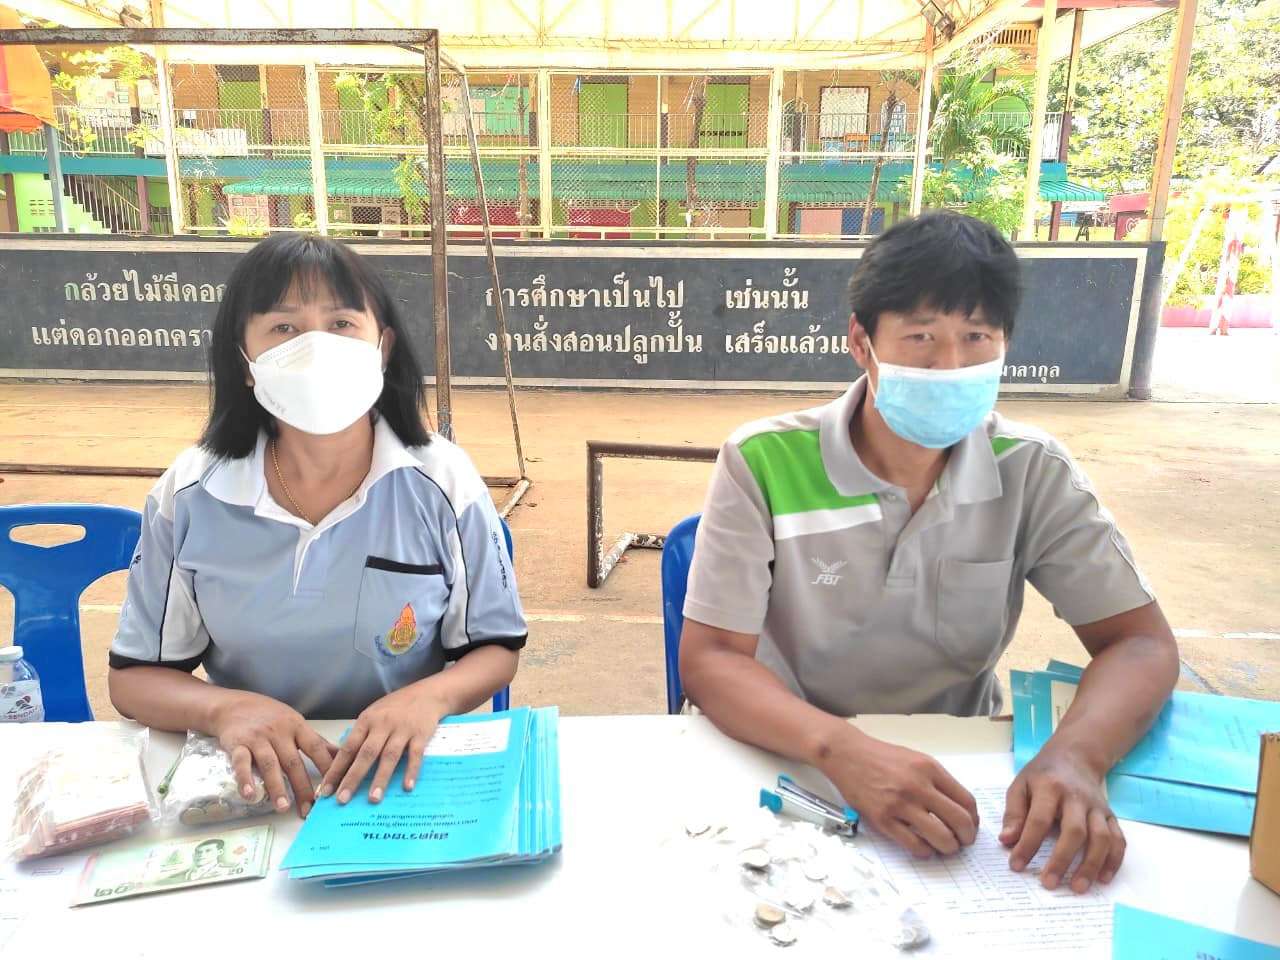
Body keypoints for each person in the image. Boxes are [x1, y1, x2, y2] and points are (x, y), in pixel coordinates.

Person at [679, 211, 1178, 895]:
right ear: (861, 342)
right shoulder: (762, 461)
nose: (951, 366)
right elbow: (711, 659)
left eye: (977, 338)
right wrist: (841, 749)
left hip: (954, 770)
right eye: (921, 338)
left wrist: (1077, 755)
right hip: (788, 757)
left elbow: (1140, 642)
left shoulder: (1032, 470)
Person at [109, 233, 526, 818]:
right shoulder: (189, 494)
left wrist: (429, 699)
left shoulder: (443, 480)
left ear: (382, 347)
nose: (315, 348)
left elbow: (496, 647)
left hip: (397, 780)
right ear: (244, 361)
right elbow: (134, 677)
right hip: (252, 784)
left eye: (341, 324)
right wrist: (225, 710)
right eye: (283, 328)